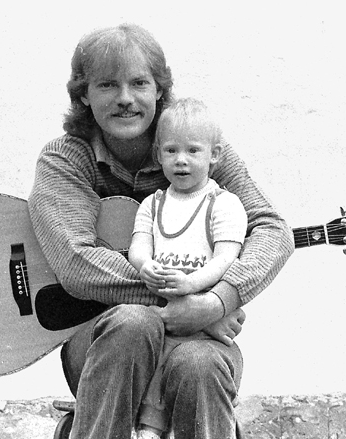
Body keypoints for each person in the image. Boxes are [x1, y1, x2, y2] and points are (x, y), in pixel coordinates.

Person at [28, 23, 294, 439]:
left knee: (199, 365)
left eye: (139, 83)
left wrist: (219, 301)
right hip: (105, 341)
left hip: (198, 339)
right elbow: (75, 260)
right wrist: (185, 299)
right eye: (106, 85)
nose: (125, 99)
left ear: (159, 90)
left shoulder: (195, 147)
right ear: (83, 94)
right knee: (133, 324)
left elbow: (272, 229)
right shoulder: (64, 160)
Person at [128, 97, 248, 439]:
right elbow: (139, 245)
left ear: (215, 155)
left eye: (193, 151)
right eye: (170, 151)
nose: (181, 160)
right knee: (157, 357)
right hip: (163, 322)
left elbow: (227, 259)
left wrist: (191, 284)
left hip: (204, 325)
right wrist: (145, 266)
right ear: (158, 155)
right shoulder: (153, 203)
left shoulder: (224, 205)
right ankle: (148, 431)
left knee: (193, 365)